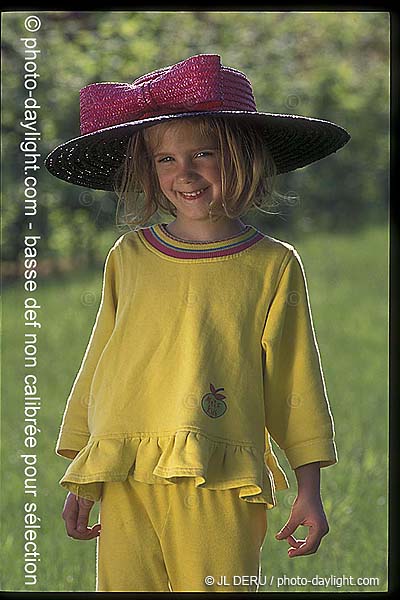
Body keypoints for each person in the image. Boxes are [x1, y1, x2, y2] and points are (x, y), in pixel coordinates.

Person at [45, 54, 350, 593]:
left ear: (243, 157)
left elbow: (294, 380)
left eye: (202, 153)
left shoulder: (272, 265)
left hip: (218, 474)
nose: (183, 173)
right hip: (126, 472)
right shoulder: (129, 257)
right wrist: (84, 474)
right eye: (164, 159)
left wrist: (310, 485)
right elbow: (101, 364)